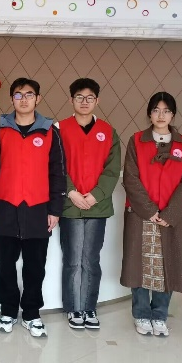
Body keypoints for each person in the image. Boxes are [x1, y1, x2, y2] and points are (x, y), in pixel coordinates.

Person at [0, 77, 66, 338]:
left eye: (29, 94)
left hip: (38, 209)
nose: (24, 99)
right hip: (6, 207)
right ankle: (8, 311)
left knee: (35, 266)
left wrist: (55, 209)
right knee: (5, 265)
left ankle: (32, 313)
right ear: (11, 99)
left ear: (38, 99)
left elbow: (58, 173)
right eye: (18, 95)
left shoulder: (50, 131)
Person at [121, 91, 182, 337]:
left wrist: (170, 213)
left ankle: (160, 315)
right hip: (141, 214)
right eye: (156, 110)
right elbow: (130, 177)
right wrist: (150, 210)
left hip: (170, 217)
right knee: (139, 266)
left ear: (173, 115)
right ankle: (141, 313)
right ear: (149, 114)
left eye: (166, 111)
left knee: (167, 265)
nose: (161, 115)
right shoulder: (136, 140)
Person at [57, 78, 120, 330]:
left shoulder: (108, 131)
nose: (84, 102)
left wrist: (95, 195)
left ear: (97, 100)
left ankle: (89, 307)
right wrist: (71, 192)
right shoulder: (59, 128)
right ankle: (73, 308)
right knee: (73, 260)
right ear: (71, 100)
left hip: (97, 205)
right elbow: (56, 165)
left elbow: (112, 170)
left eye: (90, 97)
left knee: (91, 260)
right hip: (69, 204)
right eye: (79, 97)